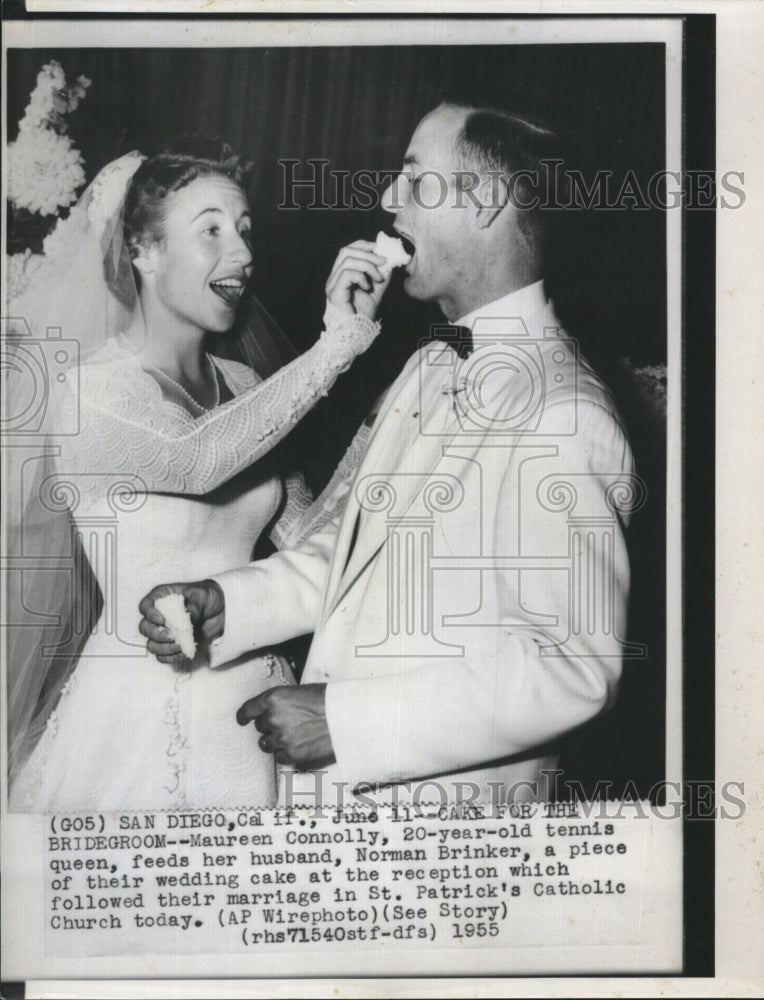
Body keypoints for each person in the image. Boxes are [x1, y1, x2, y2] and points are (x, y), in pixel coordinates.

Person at [140, 105, 639, 807]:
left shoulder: (566, 411)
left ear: (486, 203)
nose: (386, 202)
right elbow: (352, 546)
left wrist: (345, 721)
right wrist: (232, 603)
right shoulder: (428, 361)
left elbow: (574, 667)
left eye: (413, 179)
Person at [6, 137, 385, 812]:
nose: (241, 255)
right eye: (209, 231)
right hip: (138, 715)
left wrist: (387, 433)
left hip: (255, 705)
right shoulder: (92, 392)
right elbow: (197, 460)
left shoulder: (245, 385)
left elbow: (309, 533)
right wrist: (339, 345)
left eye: (243, 231)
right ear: (143, 254)